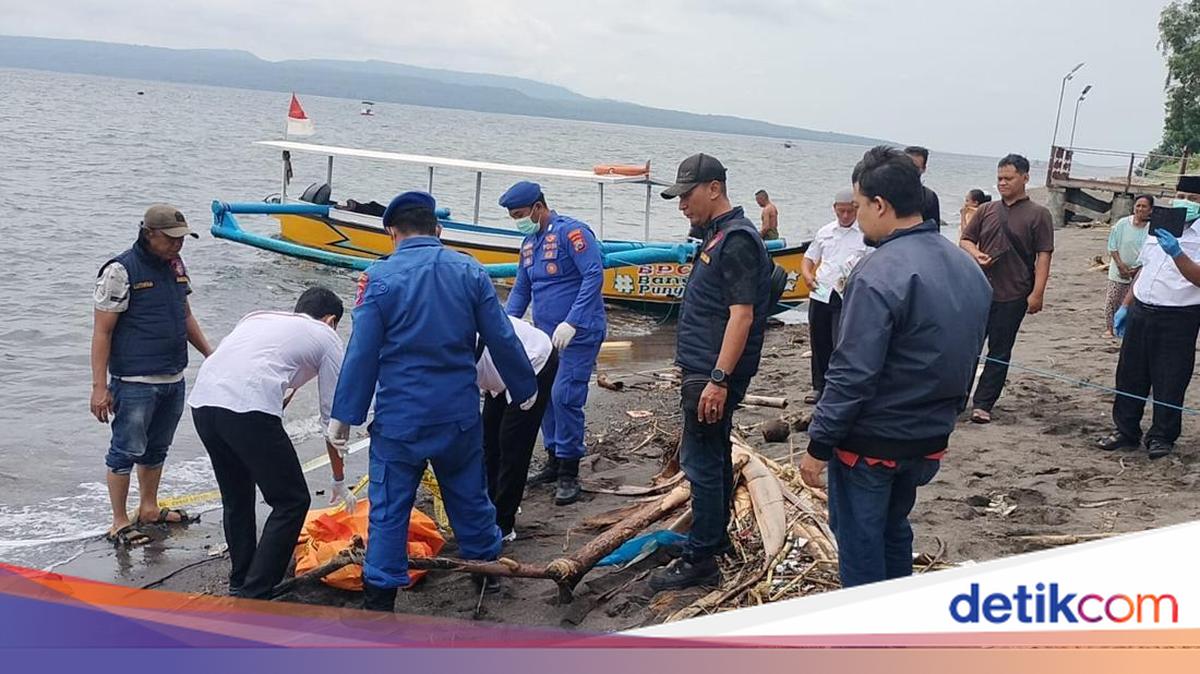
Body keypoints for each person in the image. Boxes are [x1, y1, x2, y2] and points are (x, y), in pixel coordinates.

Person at [326, 191, 538, 612]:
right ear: (437, 230)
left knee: (390, 506)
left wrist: (344, 416)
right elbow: (501, 334)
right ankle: (486, 572)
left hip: (400, 418)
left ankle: (380, 597)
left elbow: (362, 352)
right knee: (470, 496)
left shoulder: (378, 278)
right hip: (457, 413)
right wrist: (524, 386)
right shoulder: (469, 270)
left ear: (392, 232)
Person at [799, 146, 991, 588]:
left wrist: (819, 443)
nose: (858, 216)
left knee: (860, 540)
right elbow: (969, 354)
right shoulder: (967, 267)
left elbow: (852, 372)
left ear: (880, 205)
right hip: (929, 435)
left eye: (860, 205)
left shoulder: (877, 272)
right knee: (893, 528)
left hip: (873, 440)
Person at [649, 153, 771, 591]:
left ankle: (700, 559)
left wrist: (719, 380)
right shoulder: (716, 235)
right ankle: (712, 539)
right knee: (713, 456)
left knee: (701, 462)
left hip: (711, 372)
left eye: (688, 195)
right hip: (704, 366)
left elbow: (742, 315)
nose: (682, 205)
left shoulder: (736, 240)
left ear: (714, 188)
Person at [188, 287, 352, 598]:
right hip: (247, 409)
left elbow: (260, 369)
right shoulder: (327, 336)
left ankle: (241, 580)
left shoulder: (258, 318)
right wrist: (338, 478)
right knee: (292, 501)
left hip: (203, 404)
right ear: (331, 320)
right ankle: (257, 592)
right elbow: (333, 419)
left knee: (237, 497)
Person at [91, 204, 212, 547]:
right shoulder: (120, 270)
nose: (178, 244)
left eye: (182, 238)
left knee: (157, 448)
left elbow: (185, 315)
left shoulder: (176, 266)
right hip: (134, 382)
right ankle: (118, 521)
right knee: (125, 450)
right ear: (149, 234)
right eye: (171, 239)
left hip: (173, 377)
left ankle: (149, 508)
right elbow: (102, 332)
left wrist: (211, 354)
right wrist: (99, 387)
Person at [500, 181, 607, 506]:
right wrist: (504, 326)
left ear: (538, 207)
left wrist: (573, 321)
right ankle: (553, 458)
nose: (518, 221)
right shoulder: (528, 244)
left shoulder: (571, 233)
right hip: (545, 337)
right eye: (513, 217)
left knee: (565, 396)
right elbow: (522, 289)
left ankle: (569, 470)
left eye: (520, 214)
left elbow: (593, 274)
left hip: (579, 332)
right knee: (543, 396)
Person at [1099, 178, 1200, 459]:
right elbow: (1145, 268)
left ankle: (1162, 436)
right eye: (1180, 195)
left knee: (1170, 377)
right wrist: (1126, 305)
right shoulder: (1159, 228)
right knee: (1130, 373)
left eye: (1192, 198)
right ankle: (1125, 430)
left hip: (1179, 316)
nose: (1184, 201)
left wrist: (1177, 253)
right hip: (1142, 309)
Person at [960, 154, 1054, 424]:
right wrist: (976, 254)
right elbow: (965, 240)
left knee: (999, 351)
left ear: (1025, 178)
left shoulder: (1039, 214)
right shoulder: (986, 210)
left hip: (1014, 293)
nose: (1002, 183)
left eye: (1008, 178)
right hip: (979, 290)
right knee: (968, 347)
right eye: (999, 178)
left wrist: (1037, 293)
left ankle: (983, 403)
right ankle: (957, 398)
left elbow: (1044, 255)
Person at [479, 316, 558, 541]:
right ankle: (489, 507)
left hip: (533, 360)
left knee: (513, 444)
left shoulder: (457, 343)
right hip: (497, 367)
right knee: (488, 441)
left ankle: (504, 523)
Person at [800, 188, 868, 404]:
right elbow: (809, 258)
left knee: (841, 340)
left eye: (849, 211)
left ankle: (839, 385)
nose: (845, 216)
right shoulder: (825, 232)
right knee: (819, 340)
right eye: (841, 211)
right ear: (835, 209)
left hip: (847, 293)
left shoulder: (865, 234)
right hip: (822, 290)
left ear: (856, 209)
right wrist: (807, 275)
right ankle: (819, 386)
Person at [1103, 195, 1153, 337]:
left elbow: (1150, 251)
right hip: (1118, 269)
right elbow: (1112, 245)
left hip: (1139, 270)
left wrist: (1136, 269)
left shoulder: (1151, 229)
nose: (1140, 209)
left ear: (1150, 210)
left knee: (1132, 301)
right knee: (1112, 300)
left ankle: (1127, 329)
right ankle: (1110, 328)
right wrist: (1120, 265)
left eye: (1144, 206)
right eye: (1138, 206)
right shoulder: (1122, 224)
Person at [905, 146, 941, 225]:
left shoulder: (929, 197)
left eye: (915, 168)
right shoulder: (886, 191)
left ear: (924, 169)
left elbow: (933, 230)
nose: (910, 170)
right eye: (906, 166)